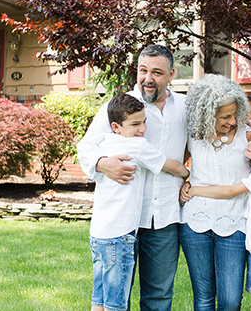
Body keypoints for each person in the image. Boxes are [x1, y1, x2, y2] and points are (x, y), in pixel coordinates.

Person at [77, 44, 190, 310]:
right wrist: (104, 164)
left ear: (171, 74)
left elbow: (203, 143)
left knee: (159, 295)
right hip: (122, 218)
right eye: (143, 70)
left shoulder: (185, 107)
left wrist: (191, 175)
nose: (148, 78)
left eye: (157, 72)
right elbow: (86, 147)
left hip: (164, 215)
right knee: (117, 296)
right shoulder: (120, 107)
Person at [176, 74, 251, 311]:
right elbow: (179, 164)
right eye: (225, 116)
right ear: (207, 114)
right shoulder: (192, 135)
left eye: (234, 113)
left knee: (230, 301)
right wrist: (184, 181)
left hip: (235, 223)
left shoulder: (249, 134)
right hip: (194, 222)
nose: (232, 120)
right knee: (204, 298)